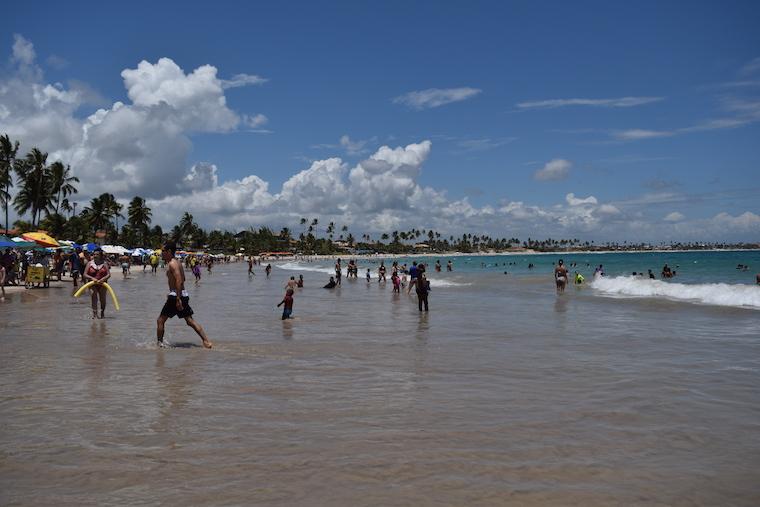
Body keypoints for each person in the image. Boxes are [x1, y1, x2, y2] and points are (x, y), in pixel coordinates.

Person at [156, 241, 212, 349]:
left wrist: (177, 298)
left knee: (160, 320)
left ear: (168, 251)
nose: (161, 253)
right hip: (182, 294)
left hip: (177, 297)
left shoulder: (172, 264)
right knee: (190, 321)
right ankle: (206, 341)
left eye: (163, 251)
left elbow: (179, 280)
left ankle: (159, 345)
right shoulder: (177, 263)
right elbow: (183, 279)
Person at [84, 248, 111, 319]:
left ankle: (102, 313)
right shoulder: (89, 263)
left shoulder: (104, 263)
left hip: (102, 284)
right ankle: (95, 314)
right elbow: (85, 274)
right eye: (94, 254)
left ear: (100, 255)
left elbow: (108, 274)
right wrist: (92, 278)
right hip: (92, 283)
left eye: (97, 254)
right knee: (94, 297)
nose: (95, 256)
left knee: (102, 299)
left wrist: (102, 279)